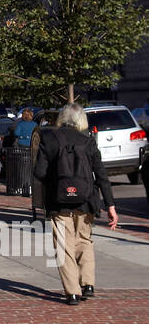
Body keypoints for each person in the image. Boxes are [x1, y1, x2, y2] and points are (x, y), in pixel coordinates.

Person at [33, 103, 118, 305]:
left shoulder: (49, 139)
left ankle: (72, 292)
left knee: (64, 246)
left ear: (62, 118)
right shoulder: (88, 141)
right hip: (86, 200)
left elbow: (39, 172)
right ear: (82, 121)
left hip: (59, 201)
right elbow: (101, 174)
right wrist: (110, 205)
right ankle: (88, 284)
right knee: (84, 240)